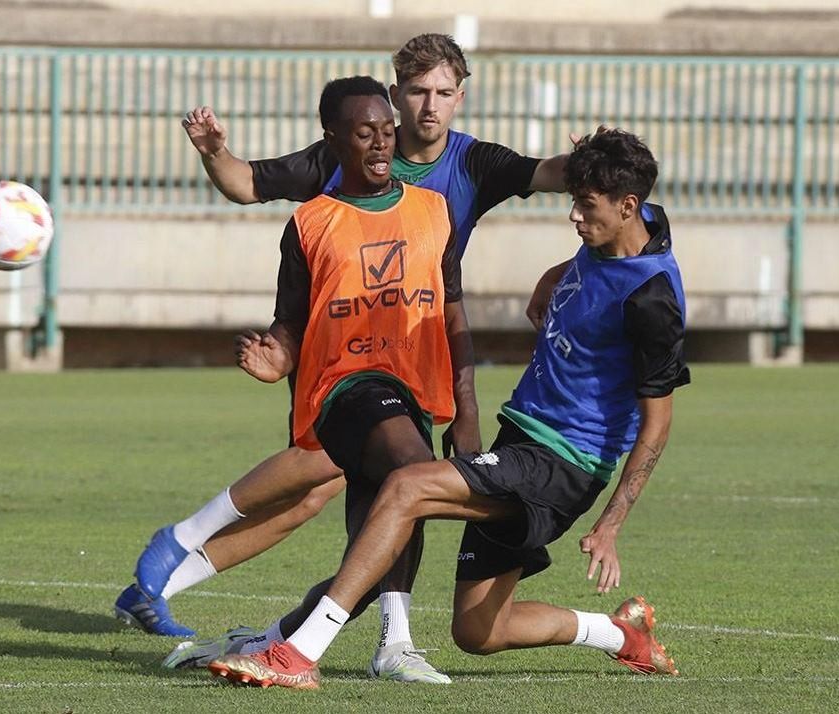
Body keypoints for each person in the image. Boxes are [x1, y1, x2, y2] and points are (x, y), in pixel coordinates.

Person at [117, 33, 571, 655]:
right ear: (394, 95)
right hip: (348, 359)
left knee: (320, 493)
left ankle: (184, 591)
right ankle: (373, 637)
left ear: (461, 98)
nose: (428, 108)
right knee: (357, 473)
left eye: (443, 93)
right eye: (416, 92)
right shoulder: (345, 149)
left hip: (417, 357)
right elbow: (247, 183)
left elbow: (551, 175)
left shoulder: (473, 164)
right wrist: (216, 153)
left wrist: (594, 158)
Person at [209, 129, 690, 689]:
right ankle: (622, 635)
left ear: (626, 207)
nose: (576, 219)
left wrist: (611, 524)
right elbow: (605, 249)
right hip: (522, 440)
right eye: (574, 202)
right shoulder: (631, 224)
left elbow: (657, 422)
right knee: (480, 630)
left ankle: (298, 653)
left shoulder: (653, 301)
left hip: (562, 463)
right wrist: (553, 275)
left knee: (405, 486)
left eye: (587, 208)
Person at [233, 75, 478, 685]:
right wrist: (277, 360)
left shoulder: (433, 211)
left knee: (383, 512)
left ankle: (280, 639)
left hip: (415, 389)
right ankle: (392, 644)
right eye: (364, 132)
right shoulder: (310, 224)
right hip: (342, 390)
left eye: (387, 131)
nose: (379, 144)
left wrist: (467, 408)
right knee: (411, 472)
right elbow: (290, 324)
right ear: (332, 138)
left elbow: (452, 311)